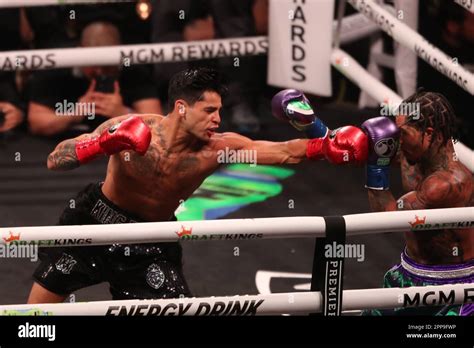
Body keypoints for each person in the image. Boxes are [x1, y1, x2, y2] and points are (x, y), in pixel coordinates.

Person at [28, 68, 369, 303]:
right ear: (181, 107)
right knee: (36, 319)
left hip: (151, 239)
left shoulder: (217, 150)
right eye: (209, 110)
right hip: (95, 222)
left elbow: (284, 154)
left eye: (219, 111)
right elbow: (56, 159)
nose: (217, 119)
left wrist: (325, 145)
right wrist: (101, 145)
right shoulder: (130, 127)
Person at [360, 90, 473, 316]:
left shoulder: (447, 184)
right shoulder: (414, 154)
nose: (398, 142)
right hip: (408, 272)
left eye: (403, 134)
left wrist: (376, 166)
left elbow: (389, 218)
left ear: (428, 134)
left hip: (451, 287)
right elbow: (355, 152)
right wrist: (317, 130)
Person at [27, 21, 161, 137]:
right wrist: (73, 115)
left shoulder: (133, 68)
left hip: (119, 150)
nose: (100, 71)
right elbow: (36, 122)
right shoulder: (58, 64)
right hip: (64, 147)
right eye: (94, 64)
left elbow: (158, 126)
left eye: (107, 65)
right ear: (80, 52)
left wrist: (125, 115)